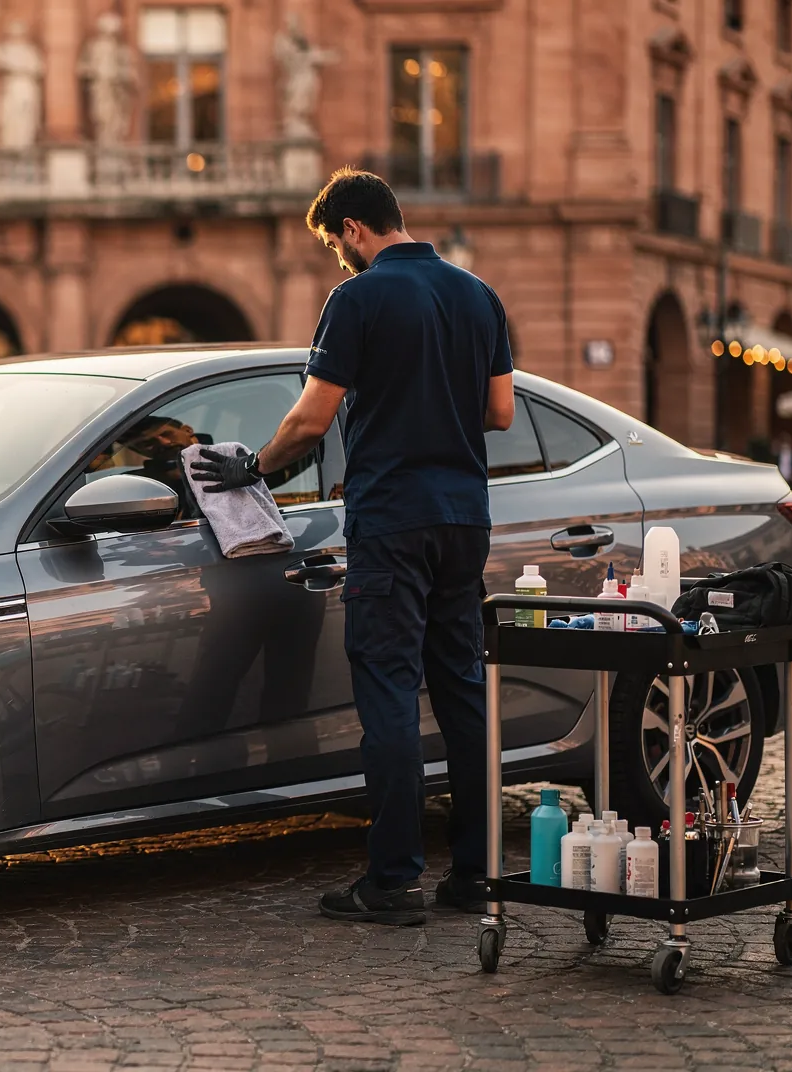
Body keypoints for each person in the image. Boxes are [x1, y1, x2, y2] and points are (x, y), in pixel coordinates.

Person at [189, 169, 515, 925]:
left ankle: (393, 881)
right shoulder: (479, 296)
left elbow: (310, 419)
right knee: (463, 693)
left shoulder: (358, 298)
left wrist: (252, 467)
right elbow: (499, 413)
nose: (340, 258)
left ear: (354, 228)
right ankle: (475, 875)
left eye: (338, 244)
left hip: (394, 520)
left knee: (392, 695)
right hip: (465, 518)